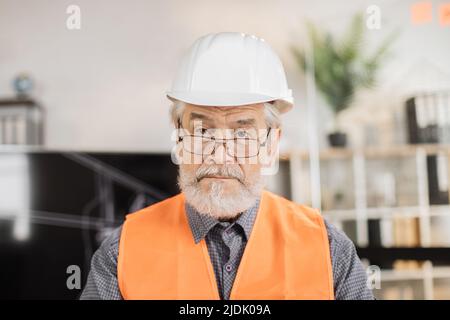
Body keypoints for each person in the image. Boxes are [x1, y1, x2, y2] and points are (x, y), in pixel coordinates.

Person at [80, 32, 374, 300]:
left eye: (242, 134)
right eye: (202, 131)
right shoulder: (122, 252)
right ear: (179, 137)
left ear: (271, 146)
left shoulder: (329, 250)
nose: (219, 156)